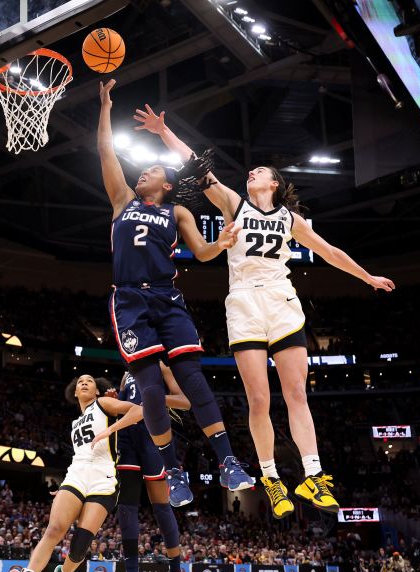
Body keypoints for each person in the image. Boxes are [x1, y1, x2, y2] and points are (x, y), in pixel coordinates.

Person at [134, 104, 395, 517]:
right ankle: (272, 480)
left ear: (274, 184)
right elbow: (195, 166)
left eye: (259, 171)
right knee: (259, 399)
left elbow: (329, 252)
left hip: (281, 300)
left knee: (296, 395)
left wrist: (367, 278)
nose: (251, 172)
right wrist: (164, 132)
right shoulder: (235, 204)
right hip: (244, 302)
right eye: (251, 170)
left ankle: (314, 476)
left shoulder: (291, 219)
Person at [97, 79, 255, 509]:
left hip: (167, 298)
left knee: (193, 378)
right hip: (129, 301)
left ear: (165, 186)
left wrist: (220, 244)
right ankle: (174, 470)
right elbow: (107, 151)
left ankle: (227, 462)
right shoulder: (121, 202)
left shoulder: (178, 211)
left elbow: (201, 253)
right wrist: (105, 107)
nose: (143, 172)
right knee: (149, 390)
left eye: (152, 172)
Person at [5, 375, 144, 572]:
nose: (85, 383)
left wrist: (110, 430)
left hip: (103, 478)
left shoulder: (104, 405)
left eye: (90, 381)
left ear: (97, 391)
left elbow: (139, 411)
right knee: (55, 528)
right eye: (80, 381)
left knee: (81, 543)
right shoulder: (75, 423)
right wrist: (63, 485)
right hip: (76, 475)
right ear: (75, 392)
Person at [112, 364, 190, 572]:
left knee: (161, 506)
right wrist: (116, 399)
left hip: (153, 434)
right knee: (126, 506)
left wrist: (158, 398)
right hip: (126, 436)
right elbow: (125, 405)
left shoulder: (163, 366)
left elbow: (184, 401)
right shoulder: (126, 374)